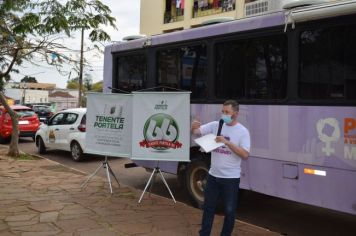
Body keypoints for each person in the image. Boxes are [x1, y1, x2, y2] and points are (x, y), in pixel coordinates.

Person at [191, 100, 250, 236]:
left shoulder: (242, 132)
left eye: (227, 112)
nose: (224, 114)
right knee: (208, 207)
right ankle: (204, 233)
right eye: (223, 111)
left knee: (229, 210)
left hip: (230, 178)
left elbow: (245, 155)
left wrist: (227, 142)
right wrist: (193, 126)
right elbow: (196, 132)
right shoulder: (216, 125)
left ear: (236, 113)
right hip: (213, 176)